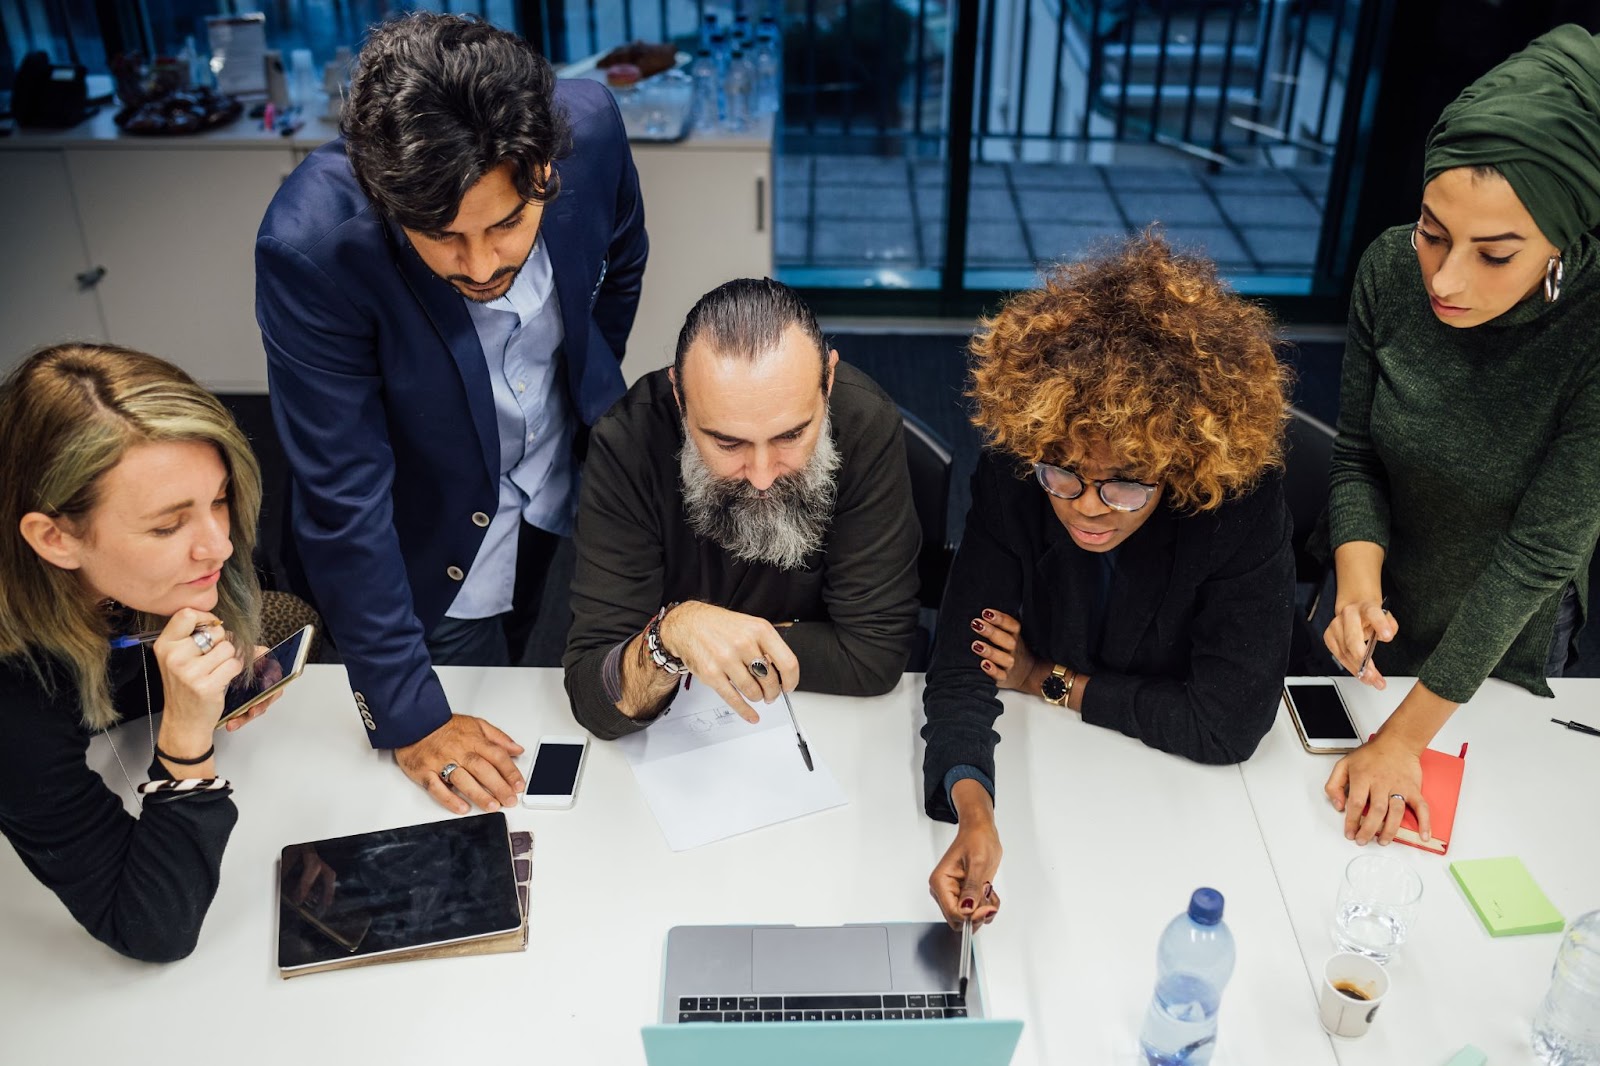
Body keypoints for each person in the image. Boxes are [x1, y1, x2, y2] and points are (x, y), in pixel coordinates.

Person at [256, 13, 647, 815]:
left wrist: (577, 389)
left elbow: (624, 261)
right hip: (420, 533)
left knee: (527, 628)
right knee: (459, 731)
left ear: (545, 167)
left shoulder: (595, 127)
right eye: (442, 237)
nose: (481, 265)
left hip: (551, 479)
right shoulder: (310, 247)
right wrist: (412, 715)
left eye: (506, 224)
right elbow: (343, 497)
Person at [920, 234, 1295, 930]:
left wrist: (1045, 680)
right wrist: (974, 810)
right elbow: (961, 667)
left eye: (1125, 484)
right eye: (1063, 475)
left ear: (1180, 464)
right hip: (1076, 766)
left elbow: (1227, 724)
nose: (1088, 505)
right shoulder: (1020, 466)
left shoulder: (1235, 502)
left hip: (1180, 807)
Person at [1322, 25, 1600, 847]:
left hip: (1507, 630)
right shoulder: (1387, 271)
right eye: (1432, 230)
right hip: (1382, 598)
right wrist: (1354, 577)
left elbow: (1539, 555)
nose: (1444, 279)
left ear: (1565, 238)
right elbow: (1354, 460)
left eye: (1495, 254)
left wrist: (1404, 739)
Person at [0, 343, 290, 961]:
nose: (220, 545)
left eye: (218, 500)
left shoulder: (138, 580)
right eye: (167, 526)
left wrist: (215, 680)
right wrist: (187, 737)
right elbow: (150, 929)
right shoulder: (12, 695)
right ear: (54, 537)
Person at [563, 277, 920, 736]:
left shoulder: (865, 422)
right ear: (679, 396)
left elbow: (871, 657)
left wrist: (696, 645)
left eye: (791, 435)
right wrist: (674, 634)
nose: (763, 474)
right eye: (727, 442)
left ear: (828, 382)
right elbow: (597, 695)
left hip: (825, 728)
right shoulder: (625, 441)